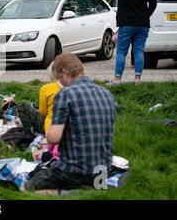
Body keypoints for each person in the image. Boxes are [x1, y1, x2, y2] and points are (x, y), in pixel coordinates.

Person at [27, 53, 117, 191]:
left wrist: (49, 133)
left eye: (59, 81)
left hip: (73, 172)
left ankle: (65, 192)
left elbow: (54, 138)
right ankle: (88, 190)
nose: (60, 85)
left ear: (65, 73)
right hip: (102, 172)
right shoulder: (107, 94)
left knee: (29, 185)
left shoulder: (65, 94)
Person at [106, 0, 157, 84]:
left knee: (122, 52)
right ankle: (137, 79)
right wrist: (146, 14)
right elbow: (154, 2)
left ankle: (117, 79)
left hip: (126, 23)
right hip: (142, 24)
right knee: (139, 51)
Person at [38, 63, 62, 160]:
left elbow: (42, 112)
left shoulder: (46, 88)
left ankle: (32, 133)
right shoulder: (74, 87)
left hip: (50, 130)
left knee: (24, 107)